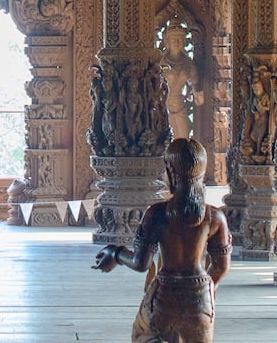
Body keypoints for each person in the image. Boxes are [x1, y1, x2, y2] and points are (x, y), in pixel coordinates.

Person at [93, 138, 231, 343]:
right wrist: (205, 290)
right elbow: (220, 268)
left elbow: (141, 264)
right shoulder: (215, 217)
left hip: (165, 298)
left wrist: (116, 253)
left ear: (169, 172)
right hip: (200, 301)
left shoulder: (156, 214)